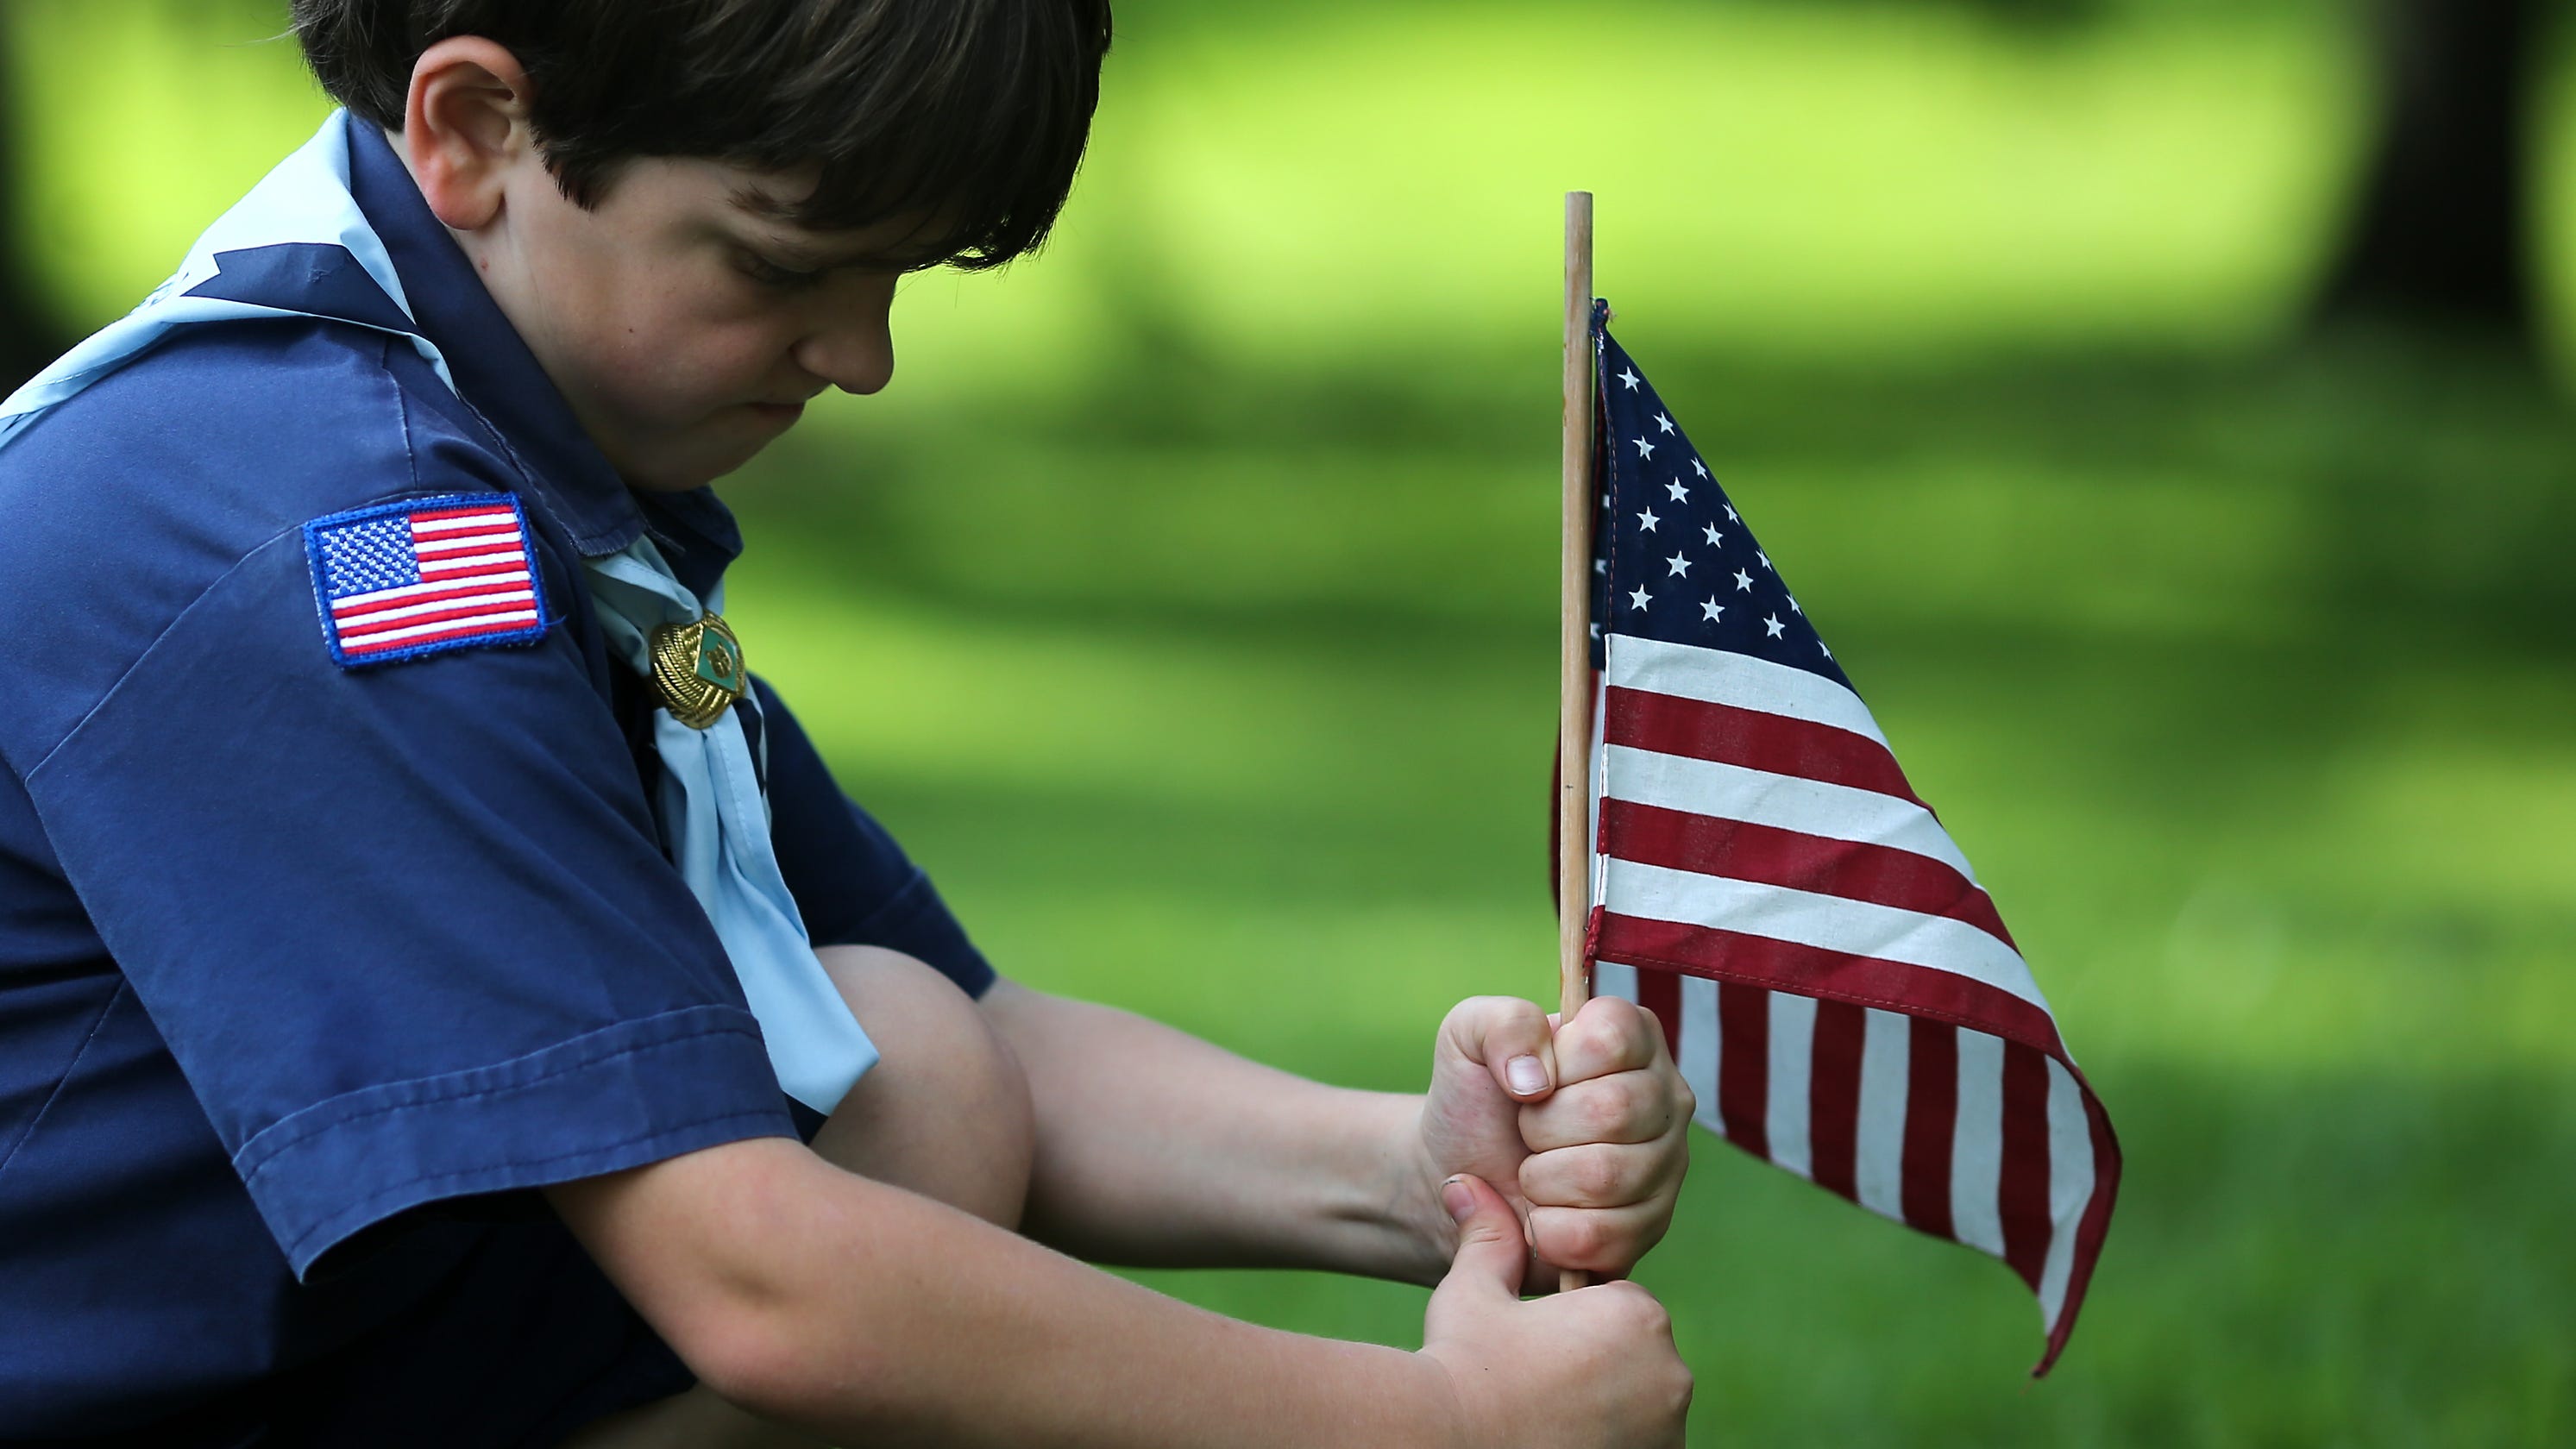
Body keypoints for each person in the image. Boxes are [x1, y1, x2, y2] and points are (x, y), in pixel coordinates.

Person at [0, 3, 1696, 1444]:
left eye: (896, 273)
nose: (863, 354)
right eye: (782, 262)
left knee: (908, 1053)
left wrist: (1412, 1176)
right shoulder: (330, 541)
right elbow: (752, 1277)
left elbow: (942, 1022)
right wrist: (1432, 1426)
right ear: (476, 127)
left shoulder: (456, 436)